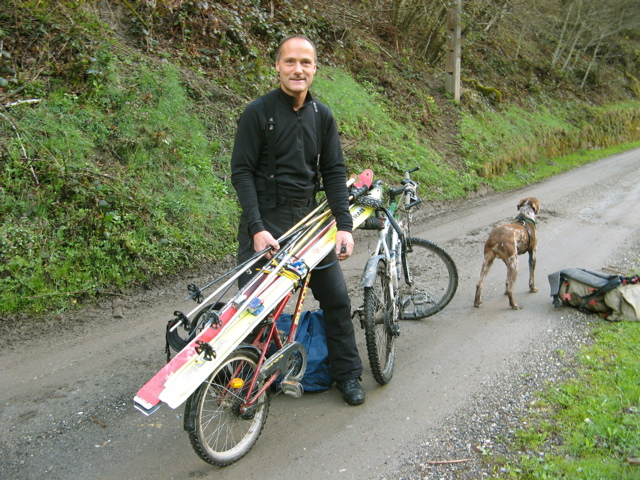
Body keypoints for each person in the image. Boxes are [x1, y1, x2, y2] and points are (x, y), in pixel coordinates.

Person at [230, 34, 365, 405]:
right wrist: (256, 228)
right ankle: (249, 379)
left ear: (315, 69)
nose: (298, 69)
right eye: (290, 61)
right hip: (266, 221)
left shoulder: (322, 116)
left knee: (336, 299)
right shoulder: (257, 113)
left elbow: (335, 172)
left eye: (305, 62)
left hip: (309, 223)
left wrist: (344, 226)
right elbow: (241, 172)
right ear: (277, 66)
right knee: (256, 309)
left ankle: (348, 374)